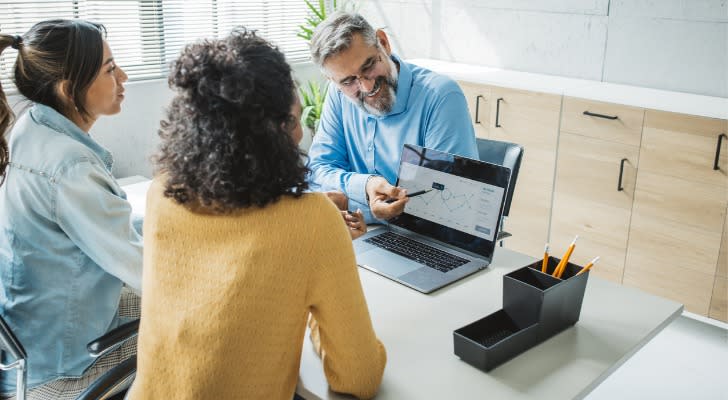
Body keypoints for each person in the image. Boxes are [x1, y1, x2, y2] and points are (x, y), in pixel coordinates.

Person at [128, 29, 386, 400]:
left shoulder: (163, 191)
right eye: (295, 121)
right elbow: (358, 378)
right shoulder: (312, 221)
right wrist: (314, 278)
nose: (301, 135)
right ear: (277, 133)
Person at [0, 20, 143, 399]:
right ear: (68, 89)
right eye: (110, 70)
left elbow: (110, 231)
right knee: (206, 323)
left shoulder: (30, 127)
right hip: (62, 374)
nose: (123, 77)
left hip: (32, 340)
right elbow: (145, 270)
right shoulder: (70, 166)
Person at [307, 11, 478, 223]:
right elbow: (318, 172)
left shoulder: (440, 97)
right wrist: (367, 186)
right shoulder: (338, 95)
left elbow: (441, 201)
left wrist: (351, 203)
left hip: (425, 241)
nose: (367, 87)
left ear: (383, 43)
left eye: (369, 66)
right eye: (348, 81)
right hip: (364, 235)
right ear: (332, 80)